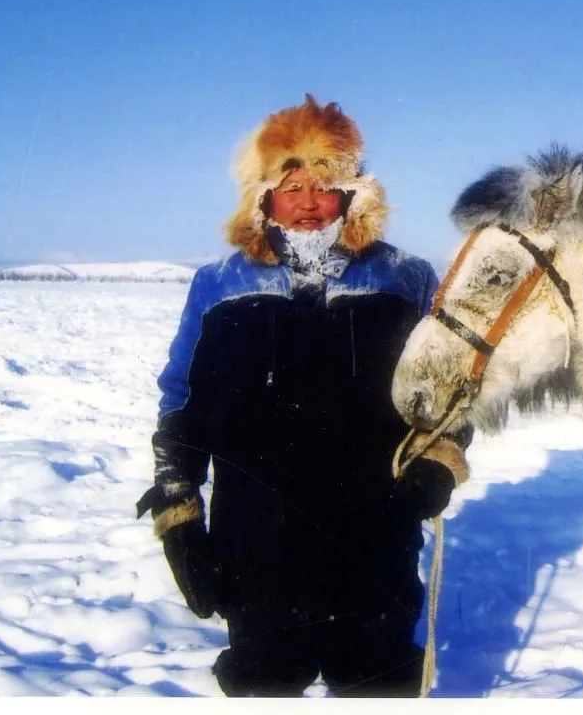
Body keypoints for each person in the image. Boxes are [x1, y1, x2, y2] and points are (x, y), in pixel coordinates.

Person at [135, 94, 470, 697]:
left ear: (353, 196)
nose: (309, 203)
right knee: (263, 684)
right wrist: (178, 509)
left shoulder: (406, 278)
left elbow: (450, 393)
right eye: (291, 187)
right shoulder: (219, 285)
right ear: (263, 198)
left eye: (325, 186)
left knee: (380, 684)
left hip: (374, 537)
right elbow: (182, 401)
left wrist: (439, 464)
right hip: (256, 542)